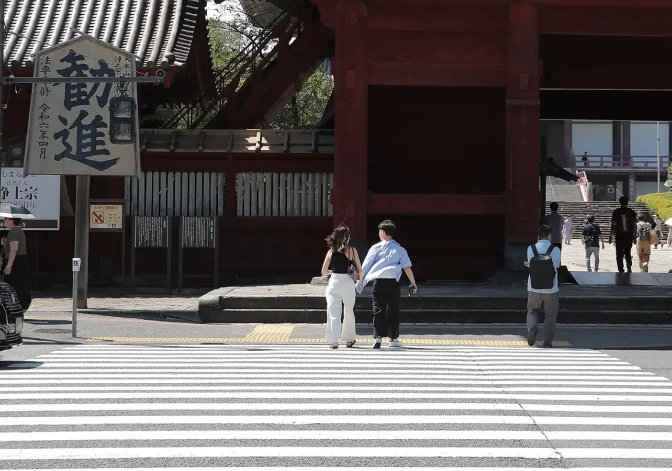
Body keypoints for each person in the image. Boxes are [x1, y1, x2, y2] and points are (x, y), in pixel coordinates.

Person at [357, 220, 417, 349]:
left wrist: (360, 282)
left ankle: (377, 338)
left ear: (383, 232)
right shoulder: (400, 249)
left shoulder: (375, 248)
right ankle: (393, 338)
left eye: (379, 231)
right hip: (393, 283)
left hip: (378, 282)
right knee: (393, 309)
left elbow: (366, 265)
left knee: (378, 309)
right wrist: (413, 283)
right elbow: (407, 267)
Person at [321, 225, 362, 349]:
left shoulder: (331, 251)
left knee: (334, 312)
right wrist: (359, 280)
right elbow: (360, 270)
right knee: (349, 310)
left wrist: (332, 272)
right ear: (347, 237)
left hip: (334, 282)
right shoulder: (352, 251)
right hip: (348, 282)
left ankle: (334, 341)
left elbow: (323, 271)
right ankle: (349, 340)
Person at [523, 225, 560, 348]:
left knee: (532, 310)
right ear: (550, 235)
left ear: (538, 235)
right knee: (550, 315)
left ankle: (532, 328)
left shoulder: (531, 248)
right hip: (551, 288)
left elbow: (532, 265)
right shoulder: (556, 249)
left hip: (533, 287)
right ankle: (547, 341)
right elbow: (556, 266)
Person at [2, 218, 31, 311]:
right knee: (19, 283)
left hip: (16, 262)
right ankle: (21, 305)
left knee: (13, 284)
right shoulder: (18, 231)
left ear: (11, 221)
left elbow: (14, 249)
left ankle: (19, 306)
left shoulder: (14, 231)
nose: (4, 222)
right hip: (20, 261)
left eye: (5, 220)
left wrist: (9, 265)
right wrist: (5, 243)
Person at [610, 196, 638, 273]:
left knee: (619, 252)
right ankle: (628, 266)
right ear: (627, 202)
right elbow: (634, 224)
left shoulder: (616, 212)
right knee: (627, 252)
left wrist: (611, 234)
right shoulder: (631, 212)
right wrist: (634, 235)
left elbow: (613, 223)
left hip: (619, 235)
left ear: (620, 202)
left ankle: (620, 268)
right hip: (629, 235)